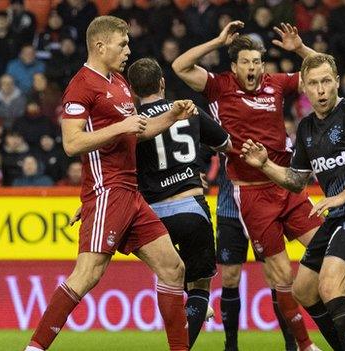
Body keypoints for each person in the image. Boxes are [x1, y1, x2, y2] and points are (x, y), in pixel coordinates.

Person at [24, 16, 197, 351]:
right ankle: (34, 349)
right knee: (87, 274)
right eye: (123, 43)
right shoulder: (81, 85)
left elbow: (139, 130)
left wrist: (172, 116)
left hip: (130, 193)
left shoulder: (119, 82)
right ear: (100, 46)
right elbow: (72, 143)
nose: (128, 50)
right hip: (108, 190)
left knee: (174, 269)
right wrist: (121, 129)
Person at [173, 21, 322, 351]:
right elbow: (180, 66)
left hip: (285, 183)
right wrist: (217, 39)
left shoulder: (276, 84)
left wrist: (299, 48)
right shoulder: (218, 86)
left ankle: (302, 340)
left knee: (321, 252)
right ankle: (238, 346)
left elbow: (322, 73)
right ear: (234, 66)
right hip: (241, 190)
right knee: (242, 275)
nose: (253, 68)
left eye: (257, 61)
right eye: (247, 62)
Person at [241, 53, 345, 351]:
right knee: (304, 290)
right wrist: (265, 165)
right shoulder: (307, 128)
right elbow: (297, 180)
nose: (321, 89)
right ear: (305, 90)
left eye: (325, 81)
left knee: (330, 286)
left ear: (336, 82)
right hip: (337, 218)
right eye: (313, 84)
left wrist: (342, 196)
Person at [127, 57, 232, 348]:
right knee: (200, 288)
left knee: (167, 272)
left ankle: (189, 306)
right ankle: (194, 310)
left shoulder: (135, 123)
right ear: (162, 82)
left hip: (151, 216)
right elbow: (226, 143)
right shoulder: (188, 109)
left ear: (134, 91)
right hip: (190, 206)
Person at [214, 155, 298, 351]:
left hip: (261, 208)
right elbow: (204, 143)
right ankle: (231, 346)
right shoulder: (222, 125)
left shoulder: (263, 127)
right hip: (229, 211)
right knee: (229, 277)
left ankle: (291, 344)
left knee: (276, 276)